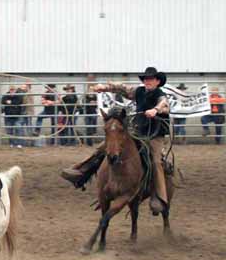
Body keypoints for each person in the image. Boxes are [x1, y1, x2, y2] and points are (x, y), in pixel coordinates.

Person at [61, 67, 171, 214]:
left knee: (156, 161)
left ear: (157, 81)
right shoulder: (139, 92)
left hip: (154, 135)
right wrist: (103, 88)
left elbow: (164, 105)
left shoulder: (160, 95)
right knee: (106, 146)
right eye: (146, 79)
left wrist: (155, 110)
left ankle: (159, 197)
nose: (147, 81)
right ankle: (81, 172)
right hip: (137, 130)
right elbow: (121, 88)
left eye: (150, 79)